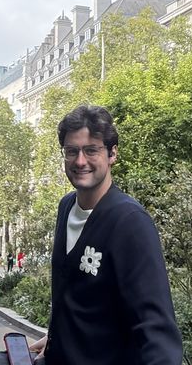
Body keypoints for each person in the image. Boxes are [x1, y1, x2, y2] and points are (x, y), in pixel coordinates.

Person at [29, 104, 181, 365]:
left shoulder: (130, 222)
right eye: (71, 151)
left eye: (91, 150)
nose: (80, 161)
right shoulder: (66, 207)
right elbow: (78, 296)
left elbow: (157, 333)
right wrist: (59, 337)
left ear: (112, 154)